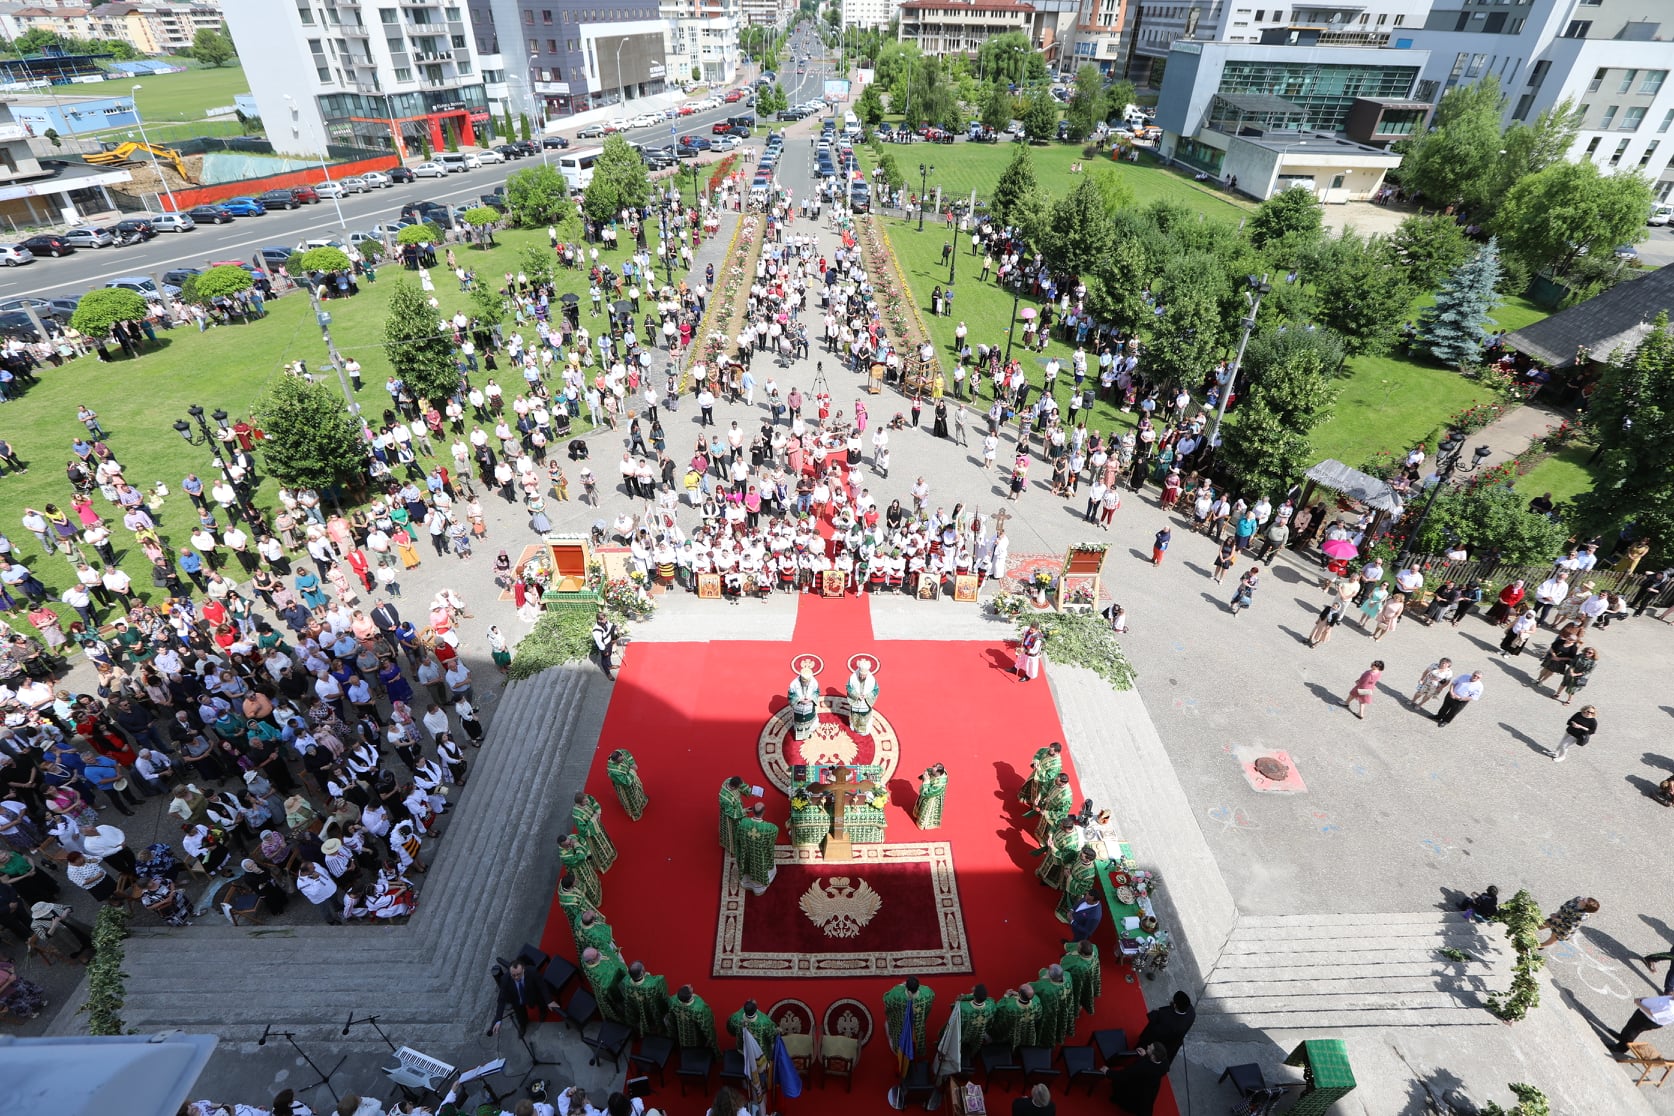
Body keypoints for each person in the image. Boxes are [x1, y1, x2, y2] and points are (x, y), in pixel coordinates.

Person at [492, 959, 562, 1037]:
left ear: (523, 970)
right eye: (513, 975)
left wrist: (549, 1001)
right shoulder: (505, 979)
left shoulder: (532, 971)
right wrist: (498, 1020)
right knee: (520, 1015)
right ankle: (523, 1025)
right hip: (517, 1000)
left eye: (518, 974)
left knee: (541, 1004)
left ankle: (543, 1013)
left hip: (534, 994)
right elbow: (501, 999)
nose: (516, 977)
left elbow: (542, 986)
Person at [1106, 1041, 1170, 1115]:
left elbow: (1123, 1075)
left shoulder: (1142, 1067)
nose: (1148, 1046)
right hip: (1148, 1091)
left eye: (1150, 1048)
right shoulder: (1164, 1062)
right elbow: (1152, 1065)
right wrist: (1146, 1055)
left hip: (1135, 1091)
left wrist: (1107, 1072)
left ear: (1153, 1057)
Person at [1135, 991, 1196, 1059]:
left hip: (1159, 1040)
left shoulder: (1165, 1017)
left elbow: (1153, 1026)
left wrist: (1156, 1012)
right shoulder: (1192, 1012)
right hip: (1173, 1043)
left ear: (1175, 1005)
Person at [735, 802, 778, 894]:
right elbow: (771, 842)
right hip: (760, 859)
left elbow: (737, 839)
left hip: (746, 855)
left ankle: (746, 883)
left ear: (752, 811)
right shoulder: (770, 828)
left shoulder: (743, 823)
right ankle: (759, 887)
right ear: (764, 812)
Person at [606, 749, 648, 820]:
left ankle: (642, 802)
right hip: (625, 787)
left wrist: (632, 764)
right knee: (631, 799)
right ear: (615, 761)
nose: (623, 759)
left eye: (622, 757)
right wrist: (632, 770)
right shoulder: (613, 771)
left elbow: (628, 755)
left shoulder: (621, 752)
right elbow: (626, 782)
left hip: (632, 778)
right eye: (621, 760)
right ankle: (636, 812)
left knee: (638, 791)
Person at [845, 657, 879, 734]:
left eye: (864, 676)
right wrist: (856, 695)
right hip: (856, 701)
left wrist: (867, 696)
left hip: (865, 702)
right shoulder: (853, 678)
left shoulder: (871, 680)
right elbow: (848, 687)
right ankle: (854, 727)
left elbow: (876, 690)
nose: (862, 677)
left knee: (864, 717)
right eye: (861, 675)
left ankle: (863, 730)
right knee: (855, 716)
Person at [787, 663, 820, 742]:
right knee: (799, 723)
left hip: (809, 706)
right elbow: (791, 696)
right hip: (799, 706)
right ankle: (799, 736)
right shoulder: (793, 684)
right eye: (804, 682)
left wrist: (811, 699)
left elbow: (816, 692)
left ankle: (808, 733)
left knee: (809, 720)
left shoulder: (814, 682)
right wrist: (799, 699)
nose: (806, 683)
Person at [912, 763, 946, 829]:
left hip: (931, 798)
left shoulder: (940, 784)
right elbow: (928, 770)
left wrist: (926, 781)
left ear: (938, 773)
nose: (931, 770)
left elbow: (926, 793)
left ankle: (922, 824)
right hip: (928, 791)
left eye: (933, 771)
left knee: (926, 810)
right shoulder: (939, 771)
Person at [591, 610, 617, 680]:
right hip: (604, 646)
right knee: (604, 659)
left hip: (609, 642)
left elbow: (610, 626)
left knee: (609, 654)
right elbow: (599, 642)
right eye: (604, 619)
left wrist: (616, 628)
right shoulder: (596, 631)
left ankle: (610, 666)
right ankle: (608, 673)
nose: (606, 620)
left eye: (606, 618)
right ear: (599, 620)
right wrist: (604, 651)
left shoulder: (605, 622)